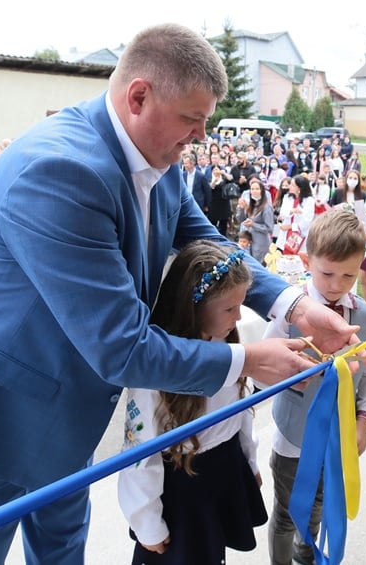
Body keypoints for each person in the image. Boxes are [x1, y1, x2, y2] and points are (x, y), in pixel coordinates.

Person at [0, 23, 358, 563]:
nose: (200, 136)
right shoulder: (60, 170)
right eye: (192, 119)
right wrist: (247, 359)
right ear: (138, 96)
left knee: (62, 546)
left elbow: (208, 241)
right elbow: (121, 346)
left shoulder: (156, 160)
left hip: (68, 410)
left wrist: (296, 305)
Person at [118, 241, 267, 563]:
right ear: (194, 305)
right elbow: (139, 452)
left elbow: (240, 412)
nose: (238, 316)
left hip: (224, 469)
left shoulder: (230, 347)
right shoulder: (156, 374)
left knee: (213, 552)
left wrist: (250, 462)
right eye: (229, 308)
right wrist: (147, 523)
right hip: (185, 490)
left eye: (240, 305)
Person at [262, 209, 366, 565]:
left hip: (336, 438)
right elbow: (260, 373)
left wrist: (363, 421)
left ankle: (308, 557)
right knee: (286, 514)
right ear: (307, 260)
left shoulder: (364, 316)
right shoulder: (289, 312)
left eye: (348, 275)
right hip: (292, 439)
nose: (336, 284)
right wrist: (293, 372)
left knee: (317, 506)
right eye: (327, 273)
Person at [236, 177, 275, 264]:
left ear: (262, 191)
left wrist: (253, 225)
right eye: (252, 189)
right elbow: (241, 220)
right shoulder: (252, 206)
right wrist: (241, 209)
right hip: (250, 242)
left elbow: (269, 229)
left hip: (261, 243)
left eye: (257, 189)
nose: (254, 191)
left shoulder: (266, 207)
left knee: (259, 266)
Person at [275, 174, 316, 254]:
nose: (289, 186)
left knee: (297, 259)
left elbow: (307, 221)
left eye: (293, 185)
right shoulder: (287, 197)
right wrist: (292, 211)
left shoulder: (309, 200)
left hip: (299, 235)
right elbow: (282, 212)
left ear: (300, 188)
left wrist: (290, 227)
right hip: (285, 233)